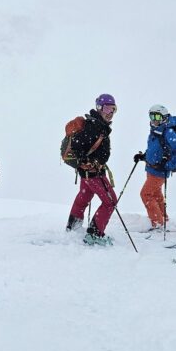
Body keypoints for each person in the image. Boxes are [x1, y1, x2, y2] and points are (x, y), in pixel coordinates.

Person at [65, 94, 119, 246]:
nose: (110, 112)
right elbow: (76, 145)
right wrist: (86, 161)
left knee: (83, 197)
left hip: (87, 174)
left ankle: (73, 226)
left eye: (113, 109)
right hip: (93, 173)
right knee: (110, 202)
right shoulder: (94, 126)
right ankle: (94, 235)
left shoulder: (98, 125)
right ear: (99, 108)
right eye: (107, 108)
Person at [133, 104, 176, 231]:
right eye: (151, 116)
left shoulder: (168, 132)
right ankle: (163, 218)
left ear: (164, 117)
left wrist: (168, 165)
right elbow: (155, 150)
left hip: (159, 171)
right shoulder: (155, 131)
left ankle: (157, 223)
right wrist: (143, 156)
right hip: (151, 169)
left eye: (157, 116)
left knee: (145, 194)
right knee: (156, 195)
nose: (154, 119)